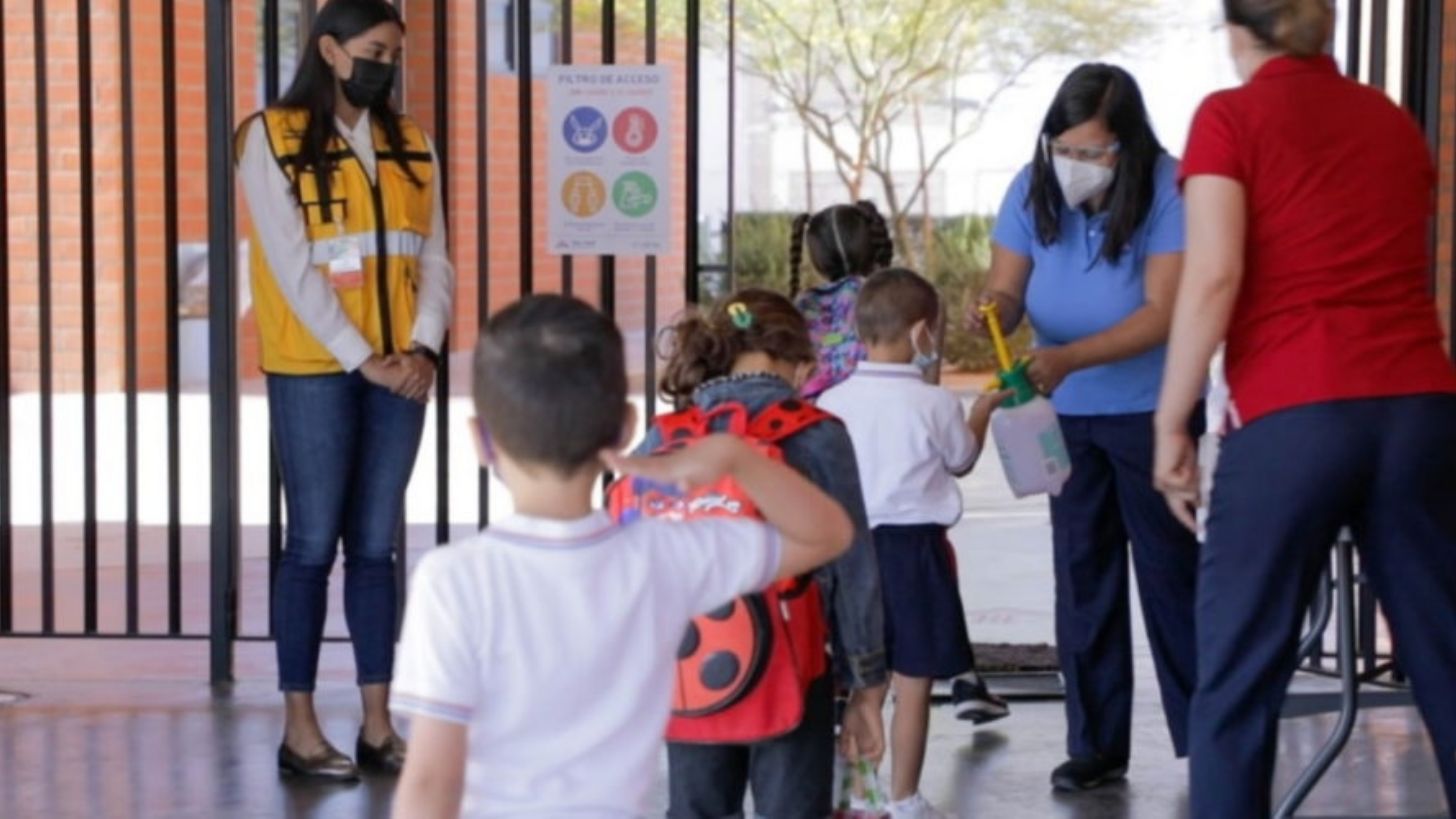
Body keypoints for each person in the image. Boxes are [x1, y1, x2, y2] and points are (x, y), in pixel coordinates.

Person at [1153, 1, 1456, 815]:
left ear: (1236, 29)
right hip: (1420, 409)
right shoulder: (1390, 121)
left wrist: (1171, 419)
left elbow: (1215, 274)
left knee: (1238, 678)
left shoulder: (1230, 117)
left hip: (1295, 410)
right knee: (1446, 659)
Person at [388, 295, 854, 818]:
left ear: (480, 439)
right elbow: (829, 534)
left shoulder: (453, 579)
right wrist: (736, 458)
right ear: (627, 428)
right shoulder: (664, 557)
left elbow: (428, 782)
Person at [235, 0, 455, 780]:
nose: (385, 66)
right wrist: (364, 358)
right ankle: (300, 730)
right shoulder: (269, 137)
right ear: (329, 51)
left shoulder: (412, 143)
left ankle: (377, 724)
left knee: (374, 548)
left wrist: (422, 347)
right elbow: (292, 267)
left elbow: (435, 258)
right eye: (373, 50)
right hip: (316, 368)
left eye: (394, 54)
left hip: (401, 367)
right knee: (310, 545)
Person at [968, 63, 1198, 791]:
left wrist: (1069, 357)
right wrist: (995, 312)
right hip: (1062, 416)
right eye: (1065, 148)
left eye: (1093, 151)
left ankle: (1208, 738)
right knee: (1082, 575)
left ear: (1127, 145)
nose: (1076, 164)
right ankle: (1096, 746)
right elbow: (1007, 289)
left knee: (1171, 574)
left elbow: (1164, 313)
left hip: (1154, 411)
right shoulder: (1030, 187)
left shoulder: (1170, 188)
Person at [647, 289, 889, 819]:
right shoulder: (817, 434)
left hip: (689, 661)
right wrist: (866, 686)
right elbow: (853, 569)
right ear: (797, 363)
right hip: (792, 664)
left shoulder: (665, 439)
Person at [819, 269, 1009, 819]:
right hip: (915, 555)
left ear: (860, 330)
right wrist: (981, 413)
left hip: (851, 555)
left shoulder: (832, 401)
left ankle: (860, 795)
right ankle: (904, 798)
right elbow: (961, 460)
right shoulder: (935, 403)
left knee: (864, 682)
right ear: (922, 332)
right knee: (914, 683)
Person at [791, 201, 896, 399]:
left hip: (812, 412)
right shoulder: (889, 298)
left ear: (816, 258)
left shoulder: (802, 304)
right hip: (873, 407)